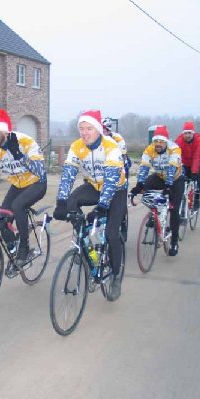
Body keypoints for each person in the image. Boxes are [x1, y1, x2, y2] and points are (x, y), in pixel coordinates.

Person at [53, 110, 127, 301]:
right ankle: (85, 245)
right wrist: (61, 201)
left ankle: (116, 276)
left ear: (98, 129)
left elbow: (111, 181)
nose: (85, 133)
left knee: (111, 233)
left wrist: (101, 207)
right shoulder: (77, 146)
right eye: (81, 129)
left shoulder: (111, 146)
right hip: (94, 186)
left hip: (116, 190)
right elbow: (68, 174)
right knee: (71, 203)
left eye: (89, 128)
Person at [0, 109, 47, 267]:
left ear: (3, 130)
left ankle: (25, 249)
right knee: (1, 219)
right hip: (17, 185)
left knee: (18, 206)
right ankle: (14, 251)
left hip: (37, 183)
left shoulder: (26, 142)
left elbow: (40, 170)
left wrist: (19, 155)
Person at [130, 125, 184, 257]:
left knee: (174, 210)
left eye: (161, 141)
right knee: (147, 184)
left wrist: (168, 186)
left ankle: (174, 242)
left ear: (166, 141)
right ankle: (155, 212)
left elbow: (171, 169)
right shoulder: (149, 150)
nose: (158, 144)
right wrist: (139, 185)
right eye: (156, 141)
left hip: (175, 179)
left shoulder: (174, 149)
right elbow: (144, 168)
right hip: (159, 176)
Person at [175, 121, 200, 210]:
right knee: (182, 180)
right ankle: (183, 200)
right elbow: (175, 155)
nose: (187, 135)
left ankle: (197, 198)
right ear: (183, 134)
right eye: (185, 133)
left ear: (193, 133)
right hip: (186, 163)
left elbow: (197, 156)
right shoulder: (179, 141)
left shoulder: (199, 141)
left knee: (197, 176)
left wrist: (194, 172)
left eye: (189, 133)